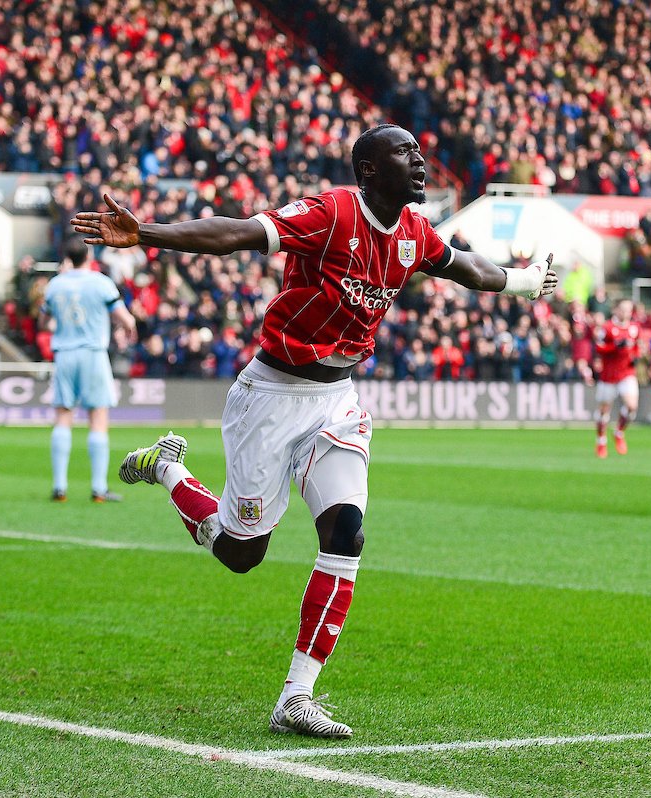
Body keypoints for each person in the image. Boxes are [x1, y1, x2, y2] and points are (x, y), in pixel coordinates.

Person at [71, 123, 557, 738]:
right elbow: (235, 234)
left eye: (418, 150)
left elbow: (470, 270)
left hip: (336, 402)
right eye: (404, 153)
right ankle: (168, 468)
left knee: (346, 535)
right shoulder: (330, 213)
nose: (419, 160)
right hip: (271, 398)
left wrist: (521, 280)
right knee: (243, 552)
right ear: (368, 172)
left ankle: (296, 697)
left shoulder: (413, 232)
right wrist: (147, 234)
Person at [41, 236, 137, 503]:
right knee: (97, 417)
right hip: (92, 353)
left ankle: (59, 487)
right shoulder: (100, 283)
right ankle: (98, 488)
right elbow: (125, 318)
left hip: (64, 354)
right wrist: (129, 326)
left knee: (63, 416)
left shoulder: (54, 285)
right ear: (89, 254)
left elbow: (43, 321)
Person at [592, 298, 642, 457]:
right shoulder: (607, 328)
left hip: (627, 373)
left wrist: (636, 357)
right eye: (624, 309)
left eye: (629, 309)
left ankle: (619, 432)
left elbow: (637, 346)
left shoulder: (634, 327)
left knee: (632, 406)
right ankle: (601, 440)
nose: (627, 312)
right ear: (616, 310)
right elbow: (598, 348)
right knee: (604, 410)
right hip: (608, 375)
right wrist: (615, 347)